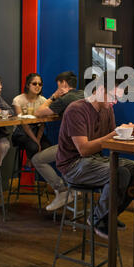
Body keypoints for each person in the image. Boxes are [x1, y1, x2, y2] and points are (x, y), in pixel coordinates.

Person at [56, 72, 134, 239]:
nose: (115, 102)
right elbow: (84, 150)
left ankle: (108, 215)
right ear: (101, 89)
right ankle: (98, 218)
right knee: (119, 172)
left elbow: (110, 140)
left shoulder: (107, 109)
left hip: (96, 160)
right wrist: (115, 133)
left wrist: (129, 132)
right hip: (73, 165)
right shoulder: (76, 109)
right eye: (113, 96)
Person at [32, 71, 84, 211]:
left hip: (72, 147)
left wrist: (54, 96)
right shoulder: (84, 95)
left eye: (58, 85)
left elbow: (38, 112)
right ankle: (74, 188)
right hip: (88, 146)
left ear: (63, 84)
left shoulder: (65, 99)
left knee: (37, 159)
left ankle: (62, 191)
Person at [12, 73, 51, 164]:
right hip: (21, 131)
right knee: (34, 147)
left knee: (47, 148)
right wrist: (36, 141)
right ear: (27, 85)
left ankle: (33, 163)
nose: (37, 86)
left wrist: (38, 138)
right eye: (34, 83)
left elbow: (43, 123)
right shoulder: (18, 100)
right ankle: (30, 162)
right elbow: (23, 123)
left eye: (40, 84)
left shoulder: (43, 101)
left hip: (36, 129)